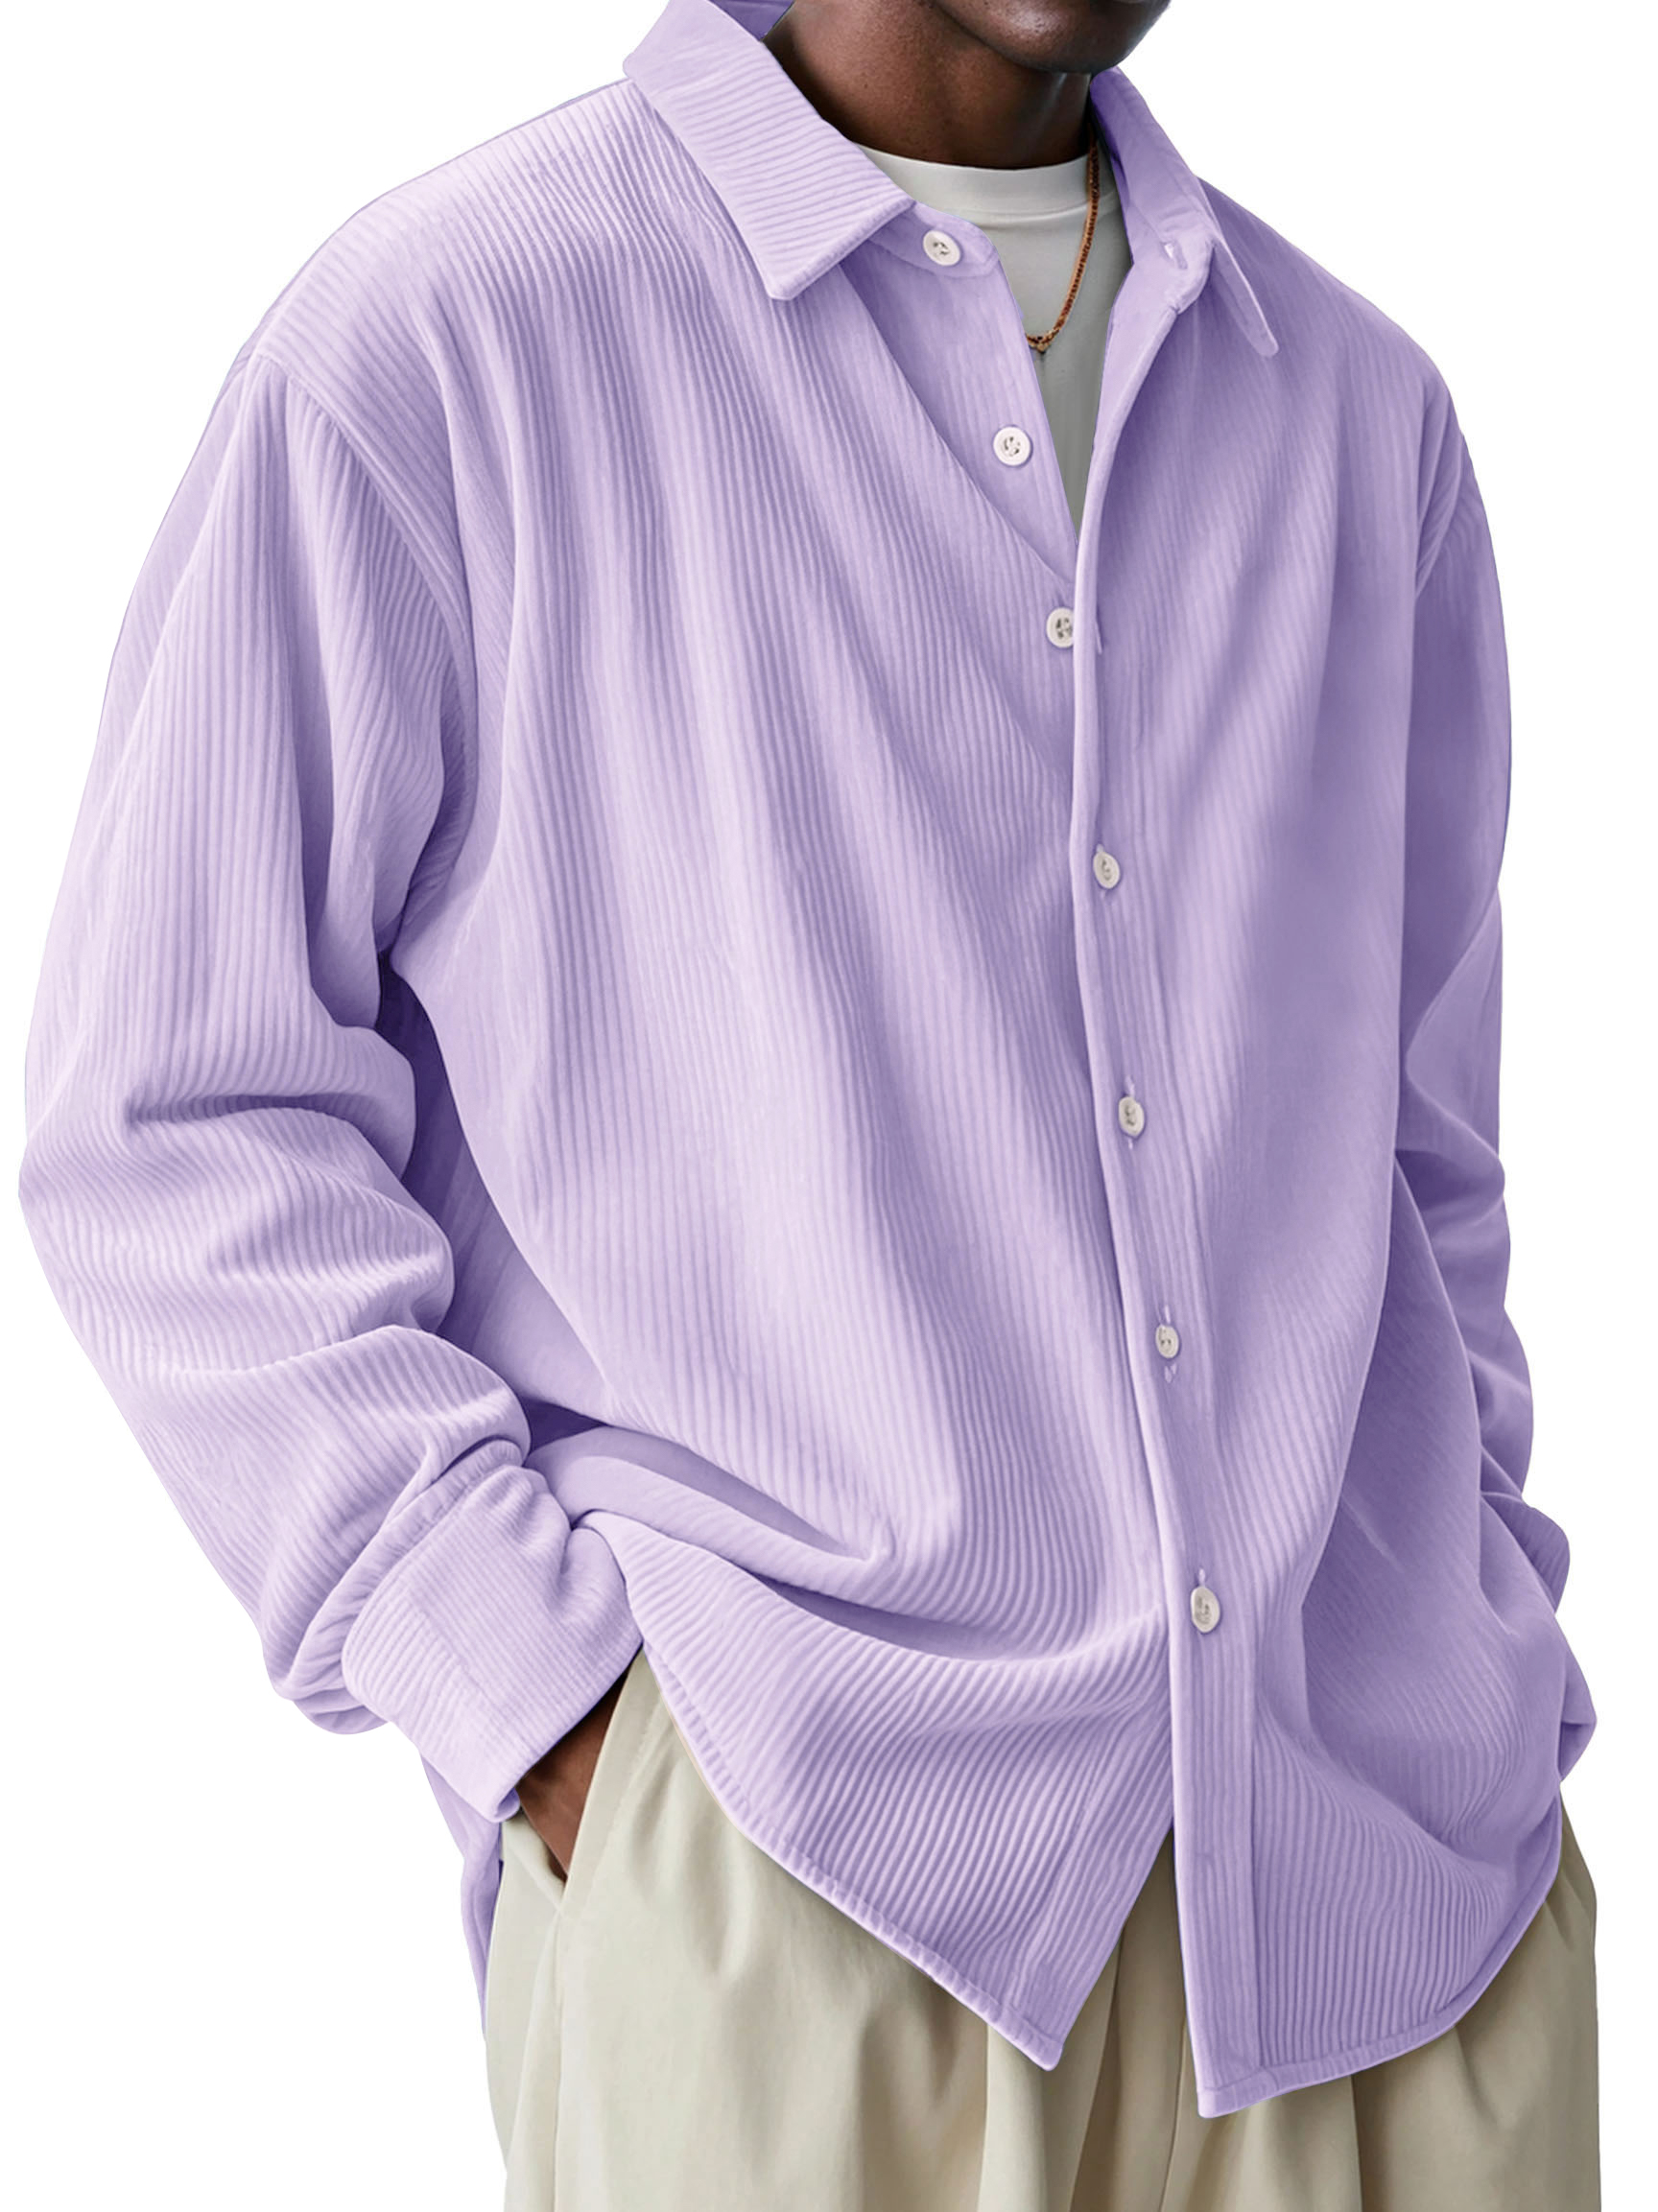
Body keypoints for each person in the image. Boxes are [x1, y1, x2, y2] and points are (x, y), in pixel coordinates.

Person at [17, 0, 1600, 2205]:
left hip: (1398, 1924)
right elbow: (169, 1109)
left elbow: (1420, 1165)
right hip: (800, 1881)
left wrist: (1481, 1615)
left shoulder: (1358, 416)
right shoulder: (451, 338)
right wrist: (548, 1708)